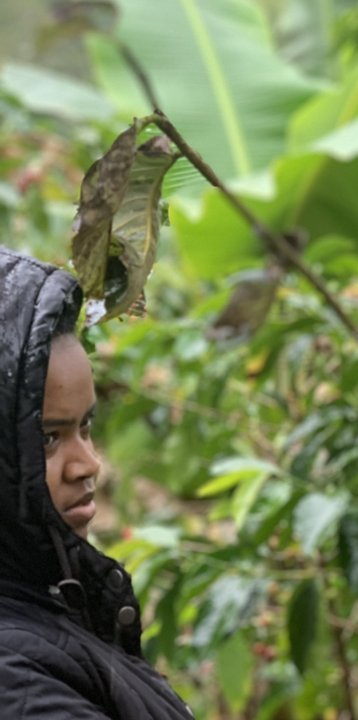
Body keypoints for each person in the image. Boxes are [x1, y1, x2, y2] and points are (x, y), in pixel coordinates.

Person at [0, 248, 191, 718]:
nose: (88, 464)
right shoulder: (15, 676)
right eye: (47, 438)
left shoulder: (50, 601)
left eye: (86, 426)